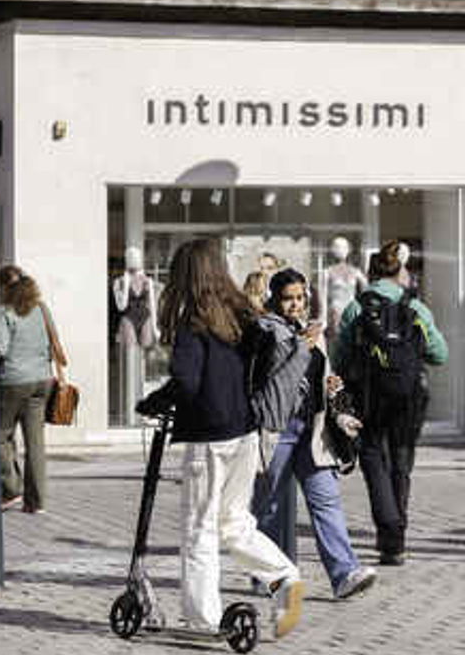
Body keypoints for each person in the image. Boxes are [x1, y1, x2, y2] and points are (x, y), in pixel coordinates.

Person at [157, 238, 303, 639]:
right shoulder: (241, 315)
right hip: (245, 432)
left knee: (199, 528)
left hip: (209, 438)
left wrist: (157, 400)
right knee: (235, 522)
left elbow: (186, 381)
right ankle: (284, 577)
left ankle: (203, 619)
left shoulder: (193, 322)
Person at [249, 268, 378, 599]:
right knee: (273, 507)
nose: (295, 304)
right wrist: (301, 348)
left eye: (299, 298)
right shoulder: (265, 331)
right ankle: (271, 576)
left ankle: (344, 574)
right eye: (287, 299)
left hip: (313, 430)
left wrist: (337, 401)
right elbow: (273, 379)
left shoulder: (311, 332)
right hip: (278, 429)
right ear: (274, 300)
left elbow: (322, 376)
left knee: (326, 500)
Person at [332, 241, 448, 566]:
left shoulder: (357, 308)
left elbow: (339, 358)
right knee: (401, 462)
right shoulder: (417, 308)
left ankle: (389, 533)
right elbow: (440, 354)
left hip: (369, 396)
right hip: (408, 398)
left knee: (373, 458)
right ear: (400, 272)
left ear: (372, 273)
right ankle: (397, 540)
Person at [0, 265, 65, 514]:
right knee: (35, 442)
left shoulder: (3, 312)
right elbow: (53, 341)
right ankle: (36, 501)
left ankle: (11, 489)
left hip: (13, 381)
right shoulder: (41, 308)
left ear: (4, 287)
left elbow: (0, 348)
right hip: (43, 381)